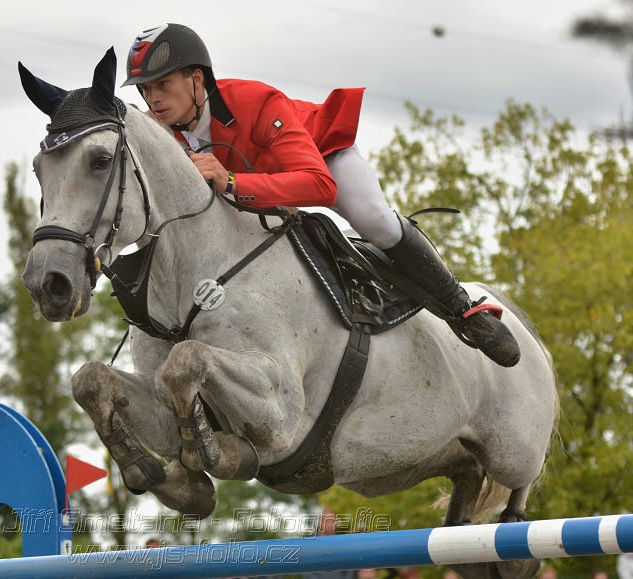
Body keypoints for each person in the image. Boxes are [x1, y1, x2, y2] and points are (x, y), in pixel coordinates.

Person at [123, 23, 520, 368]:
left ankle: (463, 308)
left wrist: (231, 182)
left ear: (196, 80)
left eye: (163, 85)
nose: (153, 99)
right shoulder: (163, 134)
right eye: (146, 89)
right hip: (256, 191)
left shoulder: (255, 101)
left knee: (374, 219)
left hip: (322, 157)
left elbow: (320, 185)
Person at [302, 508, 356, 579]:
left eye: (333, 521)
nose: (330, 524)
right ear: (320, 522)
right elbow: (307, 571)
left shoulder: (342, 543)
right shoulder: (311, 543)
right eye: (327, 521)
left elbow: (350, 571)